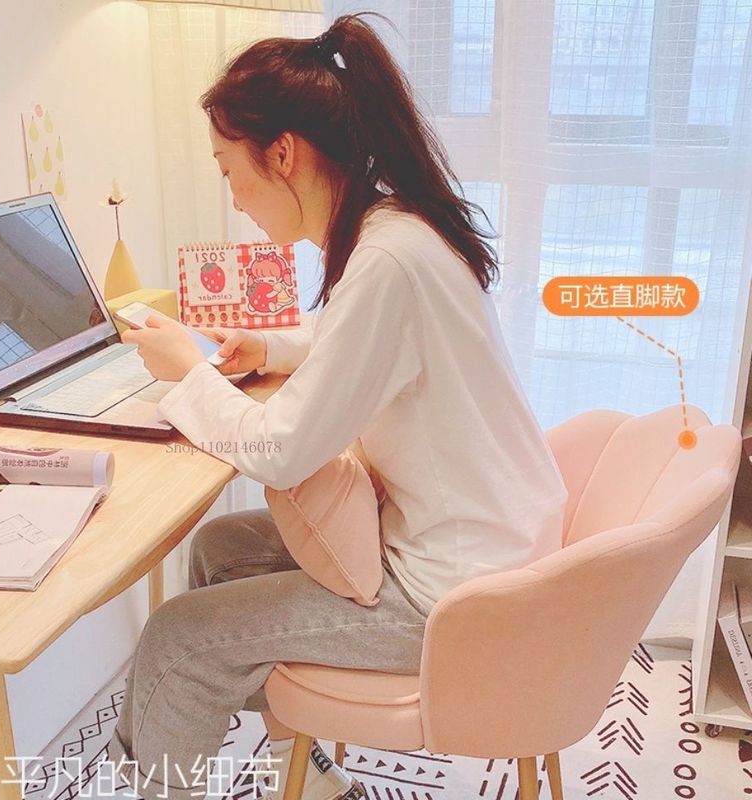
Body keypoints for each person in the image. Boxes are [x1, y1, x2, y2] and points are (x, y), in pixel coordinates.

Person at [107, 12, 568, 800]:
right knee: (221, 551)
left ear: (283, 153)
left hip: (455, 596)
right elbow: (353, 335)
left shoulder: (387, 260)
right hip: (491, 546)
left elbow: (283, 450)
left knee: (179, 641)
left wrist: (188, 373)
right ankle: (307, 768)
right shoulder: (400, 229)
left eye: (228, 170)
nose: (235, 198)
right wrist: (271, 348)